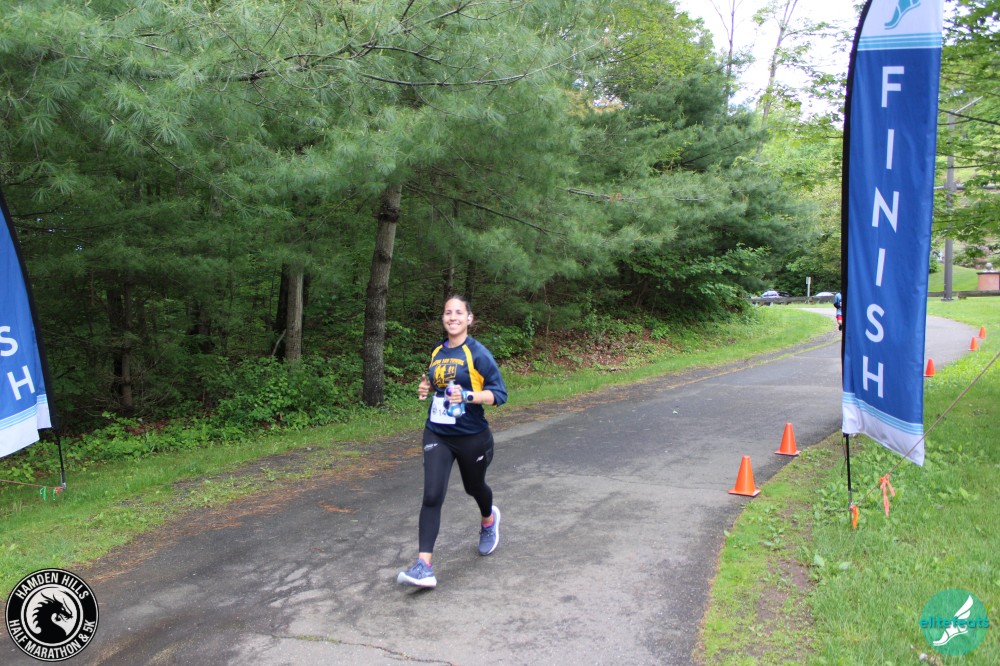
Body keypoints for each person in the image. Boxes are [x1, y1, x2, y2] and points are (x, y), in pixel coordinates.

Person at [396, 295, 508, 588]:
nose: (453, 317)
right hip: (438, 433)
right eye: (448, 312)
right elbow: (438, 383)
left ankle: (488, 519)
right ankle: (424, 566)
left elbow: (500, 394)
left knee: (475, 487)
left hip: (472, 437)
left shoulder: (478, 353)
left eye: (459, 312)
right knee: (432, 495)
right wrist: (426, 386)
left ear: (469, 318)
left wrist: (468, 396)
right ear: (443, 318)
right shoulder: (437, 351)